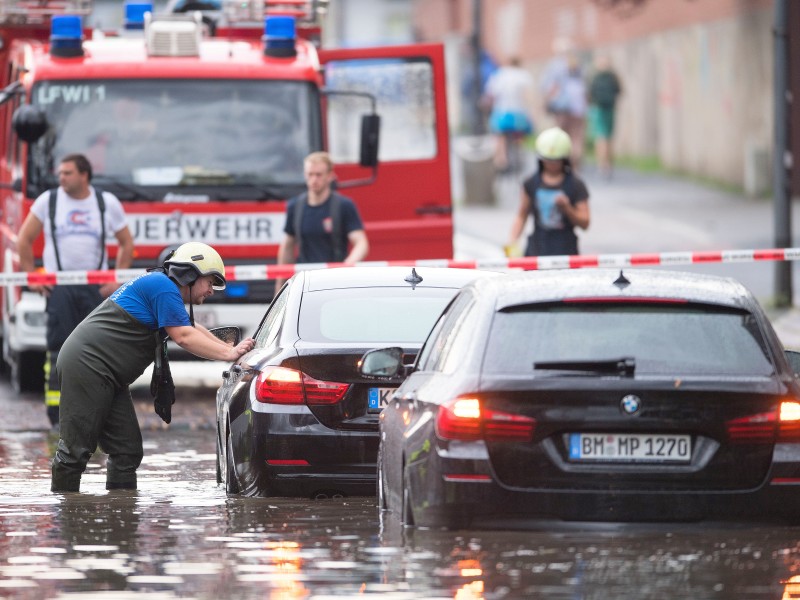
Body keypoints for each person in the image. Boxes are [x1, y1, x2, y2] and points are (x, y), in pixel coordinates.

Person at [50, 242, 256, 493]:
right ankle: (62, 517)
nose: (212, 290)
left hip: (107, 375)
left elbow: (191, 328)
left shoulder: (163, 286)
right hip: (87, 366)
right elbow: (184, 337)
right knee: (75, 451)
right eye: (210, 282)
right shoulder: (162, 287)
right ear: (189, 275)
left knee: (127, 451)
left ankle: (121, 521)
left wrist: (231, 351)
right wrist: (228, 353)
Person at [17, 153, 135, 429]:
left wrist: (116, 280)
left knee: (98, 351)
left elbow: (126, 244)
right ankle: (57, 416)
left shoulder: (106, 203)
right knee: (58, 351)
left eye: (67, 173)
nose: (61, 178)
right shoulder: (50, 201)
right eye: (60, 173)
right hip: (60, 289)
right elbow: (24, 239)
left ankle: (96, 413)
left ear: (84, 175)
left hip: (94, 289)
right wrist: (33, 277)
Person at [274, 152, 369, 292]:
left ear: (330, 176)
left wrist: (346, 267)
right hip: (305, 280)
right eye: (310, 174)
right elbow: (287, 247)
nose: (314, 180)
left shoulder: (343, 206)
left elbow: (361, 243)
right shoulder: (295, 206)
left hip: (334, 279)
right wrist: (280, 287)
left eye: (318, 175)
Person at [506, 127, 590, 257]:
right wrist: (512, 242)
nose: (551, 164)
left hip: (566, 252)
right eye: (548, 160)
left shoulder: (575, 185)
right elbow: (522, 215)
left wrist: (567, 208)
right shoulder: (531, 183)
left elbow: (585, 222)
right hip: (537, 250)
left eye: (556, 161)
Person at [482, 56, 535, 172]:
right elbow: (528, 96)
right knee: (519, 135)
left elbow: (491, 94)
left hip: (502, 113)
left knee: (499, 136)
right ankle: (519, 156)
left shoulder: (499, 74)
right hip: (519, 113)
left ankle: (501, 161)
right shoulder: (523, 75)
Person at [541, 47, 588, 170]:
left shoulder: (556, 66)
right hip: (578, 107)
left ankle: (563, 163)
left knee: (561, 135)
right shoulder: (579, 66)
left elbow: (549, 86)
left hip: (562, 108)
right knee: (577, 137)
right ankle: (575, 163)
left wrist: (546, 102)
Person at [588, 54, 622, 178]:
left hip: (598, 110)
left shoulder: (594, 77)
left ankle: (602, 165)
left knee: (600, 137)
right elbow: (619, 91)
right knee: (608, 137)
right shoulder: (614, 77)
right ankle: (608, 164)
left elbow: (589, 93)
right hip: (610, 109)